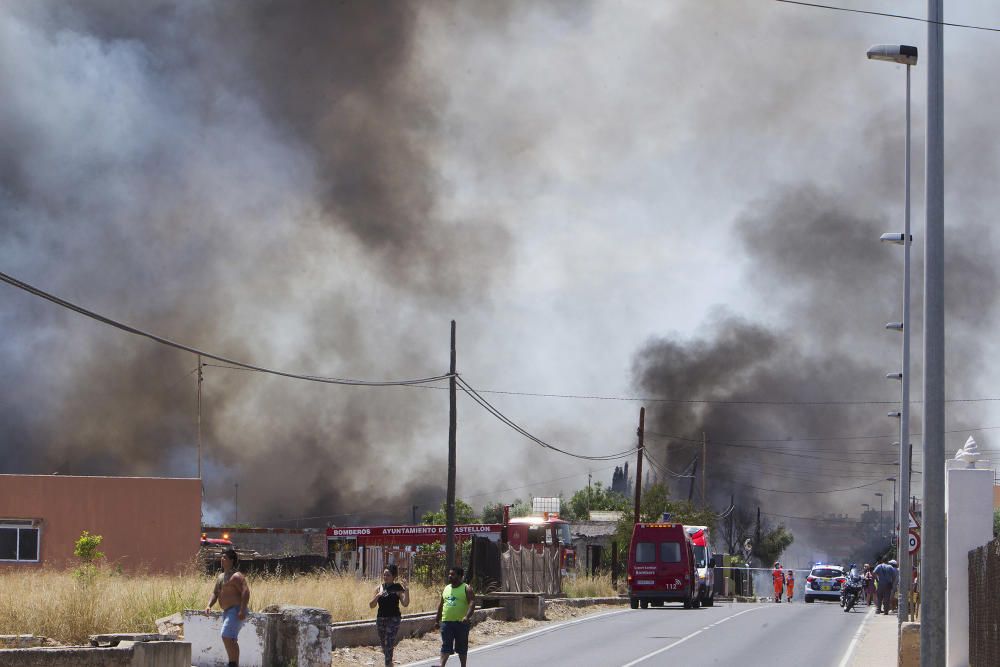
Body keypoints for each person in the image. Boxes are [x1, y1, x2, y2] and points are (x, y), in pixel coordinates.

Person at [205, 548, 250, 667]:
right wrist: (209, 605)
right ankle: (234, 664)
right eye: (222, 557)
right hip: (226, 612)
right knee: (231, 639)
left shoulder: (236, 576)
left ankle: (232, 663)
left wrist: (242, 609)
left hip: (236, 610)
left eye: (225, 557)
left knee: (226, 635)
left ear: (231, 560)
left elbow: (246, 591)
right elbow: (215, 593)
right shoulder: (221, 577)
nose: (222, 559)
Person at [434, 566, 476, 666]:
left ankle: (463, 665)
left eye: (453, 574)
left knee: (461, 647)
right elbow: (441, 605)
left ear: (460, 576)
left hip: (461, 623)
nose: (450, 576)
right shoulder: (446, 588)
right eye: (449, 574)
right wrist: (437, 620)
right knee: (446, 645)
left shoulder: (466, 588)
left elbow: (472, 603)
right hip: (446, 622)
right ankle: (441, 665)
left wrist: (467, 616)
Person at [369, 564, 409, 666]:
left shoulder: (397, 588)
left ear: (393, 577)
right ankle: (390, 662)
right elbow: (371, 605)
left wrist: (407, 590)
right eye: (384, 575)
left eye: (388, 575)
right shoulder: (379, 588)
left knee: (389, 642)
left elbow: (405, 603)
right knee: (383, 644)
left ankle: (387, 664)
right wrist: (378, 596)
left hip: (394, 619)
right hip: (381, 618)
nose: (385, 577)